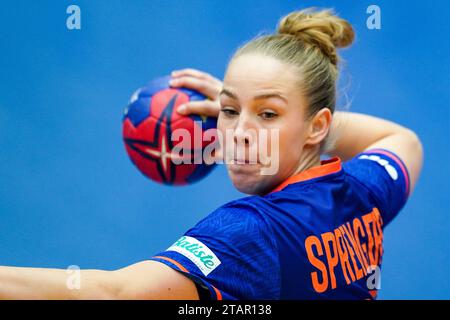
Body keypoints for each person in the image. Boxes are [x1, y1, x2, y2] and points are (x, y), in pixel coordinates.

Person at [0, 8, 423, 300]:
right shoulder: (365, 193)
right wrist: (290, 122)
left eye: (268, 114)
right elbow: (402, 139)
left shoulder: (252, 231)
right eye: (229, 110)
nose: (238, 133)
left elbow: (116, 292)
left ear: (318, 125)